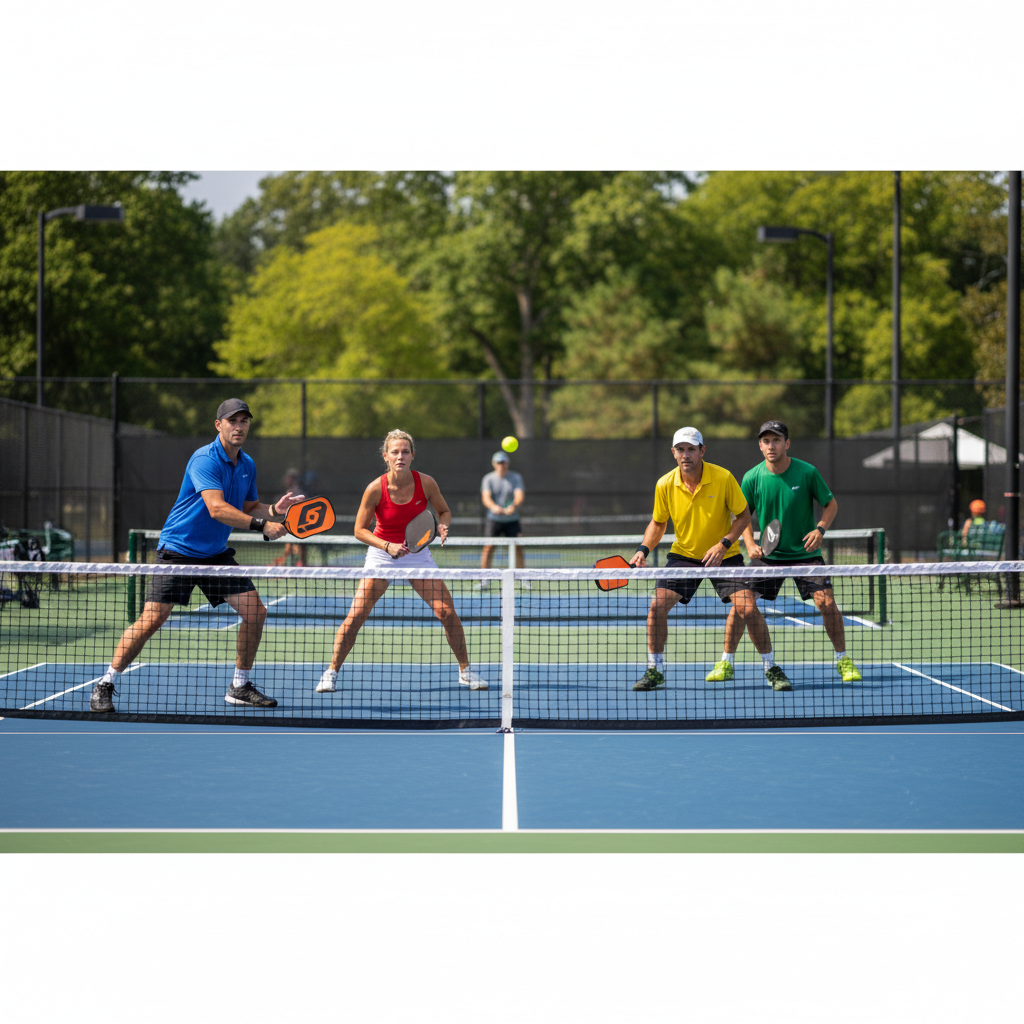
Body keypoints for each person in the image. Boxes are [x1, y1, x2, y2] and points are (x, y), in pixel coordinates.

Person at [90, 399, 305, 713]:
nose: (239, 426)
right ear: (218, 425)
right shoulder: (204, 459)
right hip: (178, 550)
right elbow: (216, 508)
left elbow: (246, 507)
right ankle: (106, 683)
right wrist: (263, 526)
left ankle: (239, 685)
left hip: (216, 555)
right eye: (233, 421)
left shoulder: (247, 465)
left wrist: (273, 511)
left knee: (256, 613)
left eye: (244, 421)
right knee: (153, 618)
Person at [317, 429, 488, 693]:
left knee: (446, 612)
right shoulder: (375, 488)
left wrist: (443, 526)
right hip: (382, 554)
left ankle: (465, 671)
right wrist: (388, 546)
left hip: (417, 554)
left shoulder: (426, 483)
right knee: (356, 616)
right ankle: (330, 672)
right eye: (395, 452)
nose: (400, 456)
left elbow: (444, 511)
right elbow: (359, 530)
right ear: (386, 456)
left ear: (413, 455)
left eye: (405, 452)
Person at [628, 427, 787, 692]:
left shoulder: (723, 477)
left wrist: (724, 544)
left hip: (725, 556)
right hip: (684, 557)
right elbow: (658, 523)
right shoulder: (665, 483)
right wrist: (643, 549)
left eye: (691, 449)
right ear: (674, 453)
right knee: (656, 608)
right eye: (680, 449)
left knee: (747, 608)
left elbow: (744, 517)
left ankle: (771, 667)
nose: (686, 454)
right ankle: (654, 669)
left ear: (702, 451)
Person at [710, 420, 862, 686]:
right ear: (760, 446)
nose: (772, 445)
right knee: (742, 607)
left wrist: (820, 529)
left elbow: (830, 504)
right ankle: (726, 661)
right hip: (768, 556)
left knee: (826, 603)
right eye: (766, 441)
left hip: (805, 554)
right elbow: (742, 515)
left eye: (777, 440)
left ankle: (843, 659)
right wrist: (749, 542)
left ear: (787, 444)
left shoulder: (807, 472)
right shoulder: (752, 477)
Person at [478, 450, 526, 588]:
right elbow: (486, 498)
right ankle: (484, 580)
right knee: (488, 548)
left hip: (512, 520)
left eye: (504, 462)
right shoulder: (488, 479)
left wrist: (513, 506)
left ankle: (523, 579)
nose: (501, 465)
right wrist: (494, 507)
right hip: (494, 519)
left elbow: (519, 496)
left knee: (518, 548)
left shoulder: (516, 477)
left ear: (508, 464)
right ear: (494, 464)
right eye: (499, 463)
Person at [272, 468, 305, 566]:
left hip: (299, 524)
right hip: (292, 524)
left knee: (295, 546)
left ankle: (299, 564)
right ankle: (290, 564)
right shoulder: (290, 490)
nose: (286, 480)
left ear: (292, 479)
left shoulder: (295, 491)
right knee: (289, 546)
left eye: (288, 478)